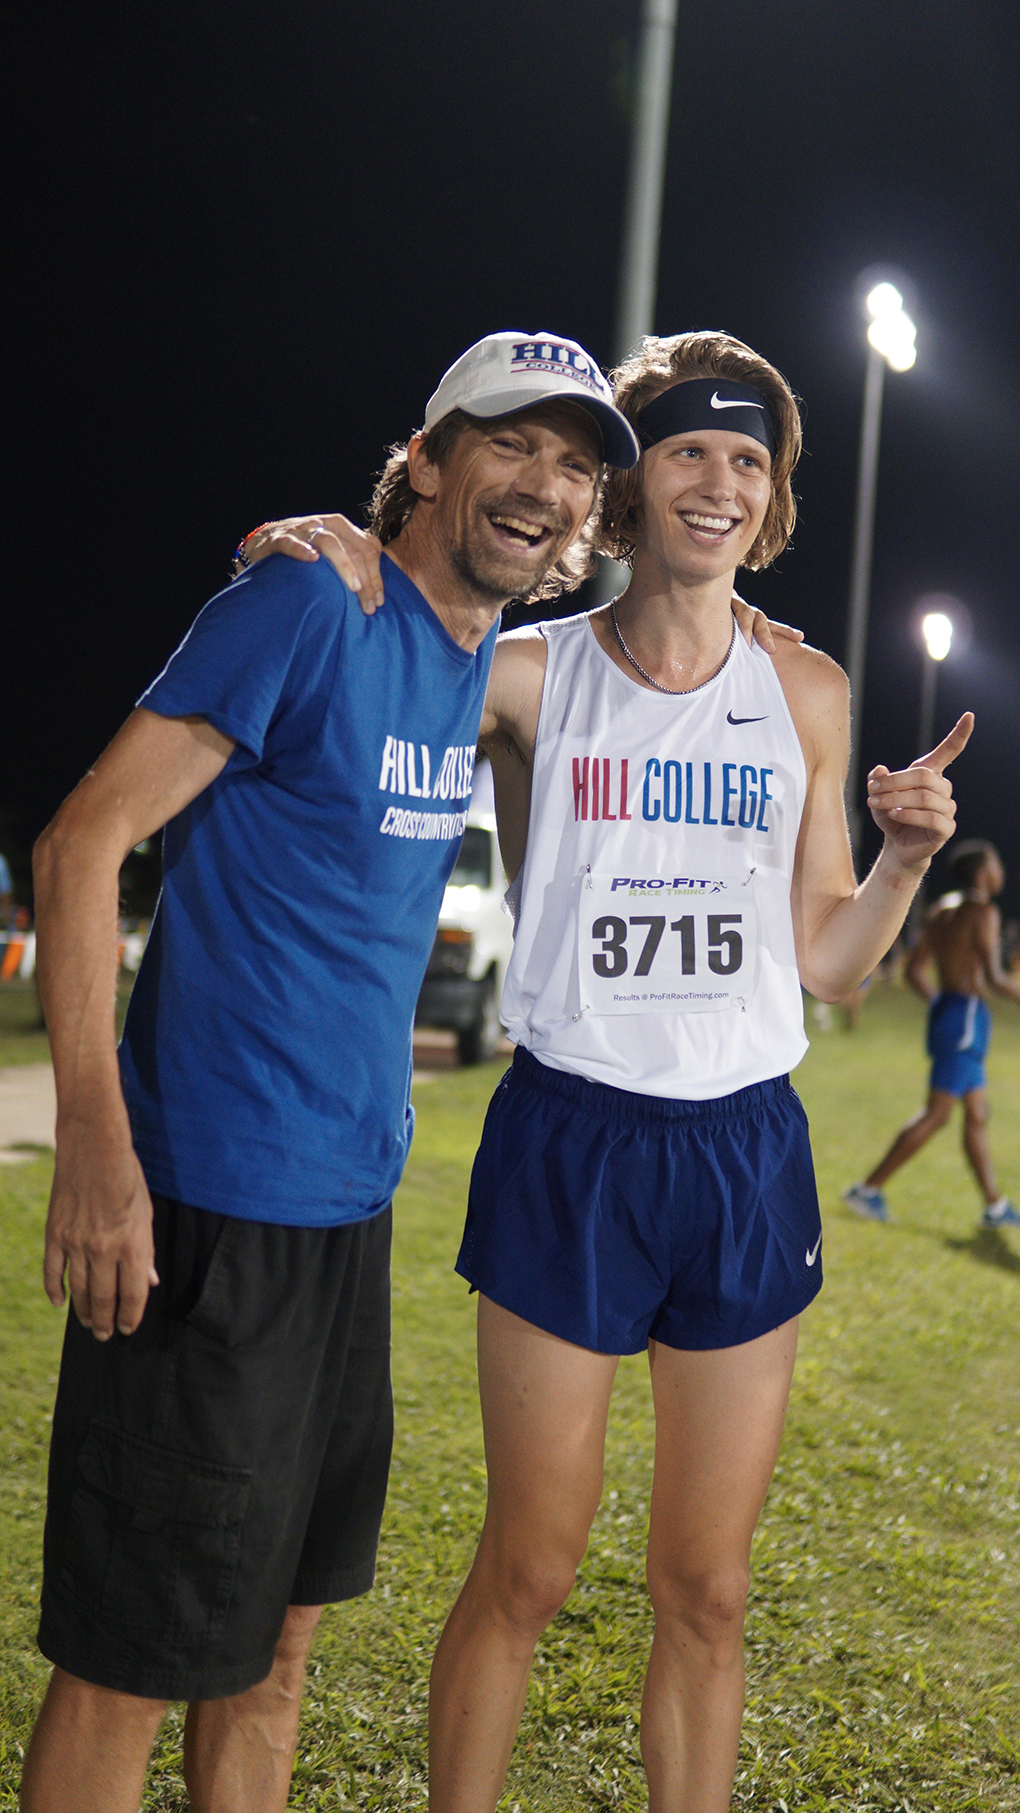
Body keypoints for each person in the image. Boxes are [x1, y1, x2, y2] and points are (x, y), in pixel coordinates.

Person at [254, 328, 971, 1813]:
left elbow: (828, 964)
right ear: (632, 485)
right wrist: (339, 547)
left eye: (750, 462)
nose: (719, 484)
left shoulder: (811, 696)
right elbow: (396, 623)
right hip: (573, 1138)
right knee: (529, 1566)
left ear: (772, 506)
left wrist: (902, 858)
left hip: (742, 1154)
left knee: (706, 1585)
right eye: (690, 452)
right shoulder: (530, 677)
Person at [21, 330, 643, 1813]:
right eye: (512, 444)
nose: (546, 486)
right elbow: (79, 845)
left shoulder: (477, 645)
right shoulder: (308, 596)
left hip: (344, 1218)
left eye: (574, 467)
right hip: (203, 1211)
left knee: (278, 1651)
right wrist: (100, 1162)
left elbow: (667, 633)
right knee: (128, 1664)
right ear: (425, 460)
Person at [844, 839, 1020, 1228]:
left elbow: (913, 970)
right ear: (981, 873)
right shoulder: (983, 912)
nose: (1000, 873)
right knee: (938, 1114)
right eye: (995, 865)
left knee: (976, 1113)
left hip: (950, 1016)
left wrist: (942, 1003)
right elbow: (994, 977)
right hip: (967, 1018)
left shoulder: (942, 910)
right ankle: (867, 1189)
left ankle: (994, 1206)